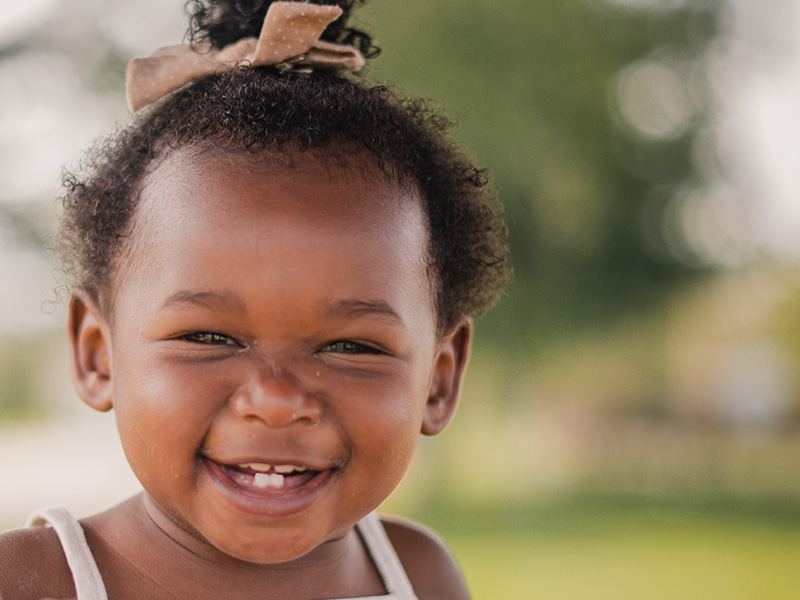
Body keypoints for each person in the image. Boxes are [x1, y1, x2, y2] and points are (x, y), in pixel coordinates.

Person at [0, 1, 509, 598]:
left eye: (351, 346)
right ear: (97, 354)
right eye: (208, 337)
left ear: (439, 380)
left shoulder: (419, 573)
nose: (276, 400)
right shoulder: (33, 581)